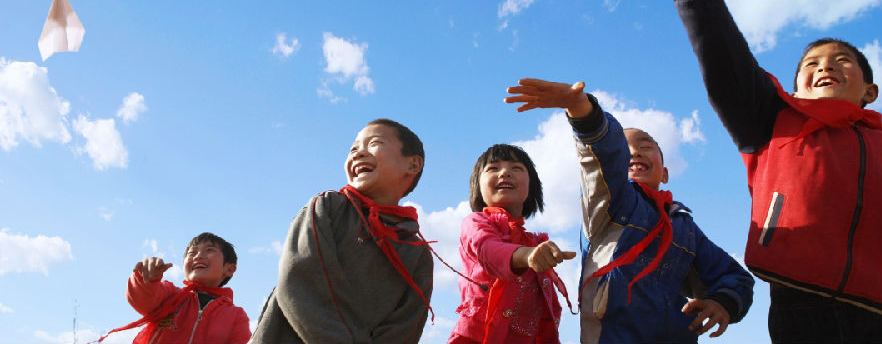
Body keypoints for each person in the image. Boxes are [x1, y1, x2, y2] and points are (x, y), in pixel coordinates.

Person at [646, 0, 882, 342]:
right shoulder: (771, 120)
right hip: (800, 299)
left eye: (842, 61)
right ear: (796, 89)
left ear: (870, 92)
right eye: (812, 63)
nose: (825, 67)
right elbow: (727, 62)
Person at [505, 79, 754, 343]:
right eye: (626, 149)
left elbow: (734, 276)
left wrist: (723, 302)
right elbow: (604, 157)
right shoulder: (610, 201)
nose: (634, 152)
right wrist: (582, 110)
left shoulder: (685, 227)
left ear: (665, 173)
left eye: (645, 146)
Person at [251, 118, 433, 344]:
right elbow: (301, 278)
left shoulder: (417, 253)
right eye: (353, 149)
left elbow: (406, 327)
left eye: (374, 143)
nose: (358, 153)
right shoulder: (328, 207)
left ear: (413, 164)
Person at [448, 143, 576, 344]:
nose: (505, 173)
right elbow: (488, 250)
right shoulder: (475, 223)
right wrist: (527, 255)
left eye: (516, 168)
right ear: (478, 187)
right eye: (493, 168)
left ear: (531, 186)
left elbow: (547, 315)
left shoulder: (535, 243)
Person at [99, 232, 251, 344]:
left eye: (209, 250)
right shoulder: (171, 294)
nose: (198, 256)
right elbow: (142, 298)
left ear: (229, 269)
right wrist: (146, 278)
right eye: (192, 252)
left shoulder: (236, 315)